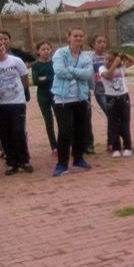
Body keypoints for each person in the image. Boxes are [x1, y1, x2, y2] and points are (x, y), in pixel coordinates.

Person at [0, 35, 32, 175]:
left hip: (16, 102)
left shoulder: (16, 61)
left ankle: (24, 160)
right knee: (4, 134)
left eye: (1, 45)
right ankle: (12, 162)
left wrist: (20, 94)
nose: (0, 48)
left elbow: (24, 78)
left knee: (18, 131)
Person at [51, 28, 94, 176]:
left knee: (81, 129)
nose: (78, 38)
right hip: (62, 98)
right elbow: (59, 71)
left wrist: (70, 69)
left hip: (80, 97)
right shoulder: (60, 53)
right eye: (75, 36)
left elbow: (88, 74)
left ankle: (79, 158)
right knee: (65, 131)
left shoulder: (86, 56)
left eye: (81, 36)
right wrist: (78, 72)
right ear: (68, 37)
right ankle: (62, 164)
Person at [100, 50, 134, 157]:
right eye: (105, 59)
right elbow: (108, 76)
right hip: (111, 99)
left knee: (125, 122)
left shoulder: (121, 68)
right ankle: (116, 147)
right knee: (113, 124)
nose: (107, 62)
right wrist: (114, 64)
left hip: (124, 97)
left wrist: (124, 55)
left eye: (110, 60)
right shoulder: (102, 69)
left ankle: (127, 146)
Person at [31, 41, 58, 154]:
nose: (46, 51)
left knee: (61, 119)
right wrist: (49, 77)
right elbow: (36, 81)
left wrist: (45, 78)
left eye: (48, 49)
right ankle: (54, 146)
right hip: (43, 96)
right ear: (38, 51)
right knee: (48, 121)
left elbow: (58, 76)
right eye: (43, 49)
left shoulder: (55, 63)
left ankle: (64, 144)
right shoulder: (36, 65)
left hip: (56, 94)